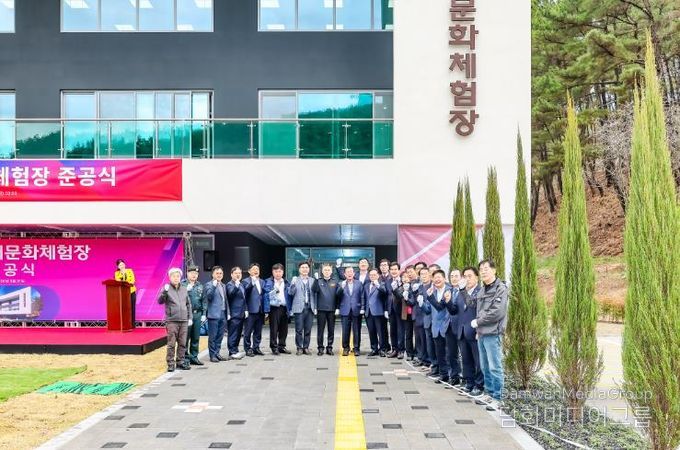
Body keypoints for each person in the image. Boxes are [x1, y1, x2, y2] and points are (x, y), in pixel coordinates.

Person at [472, 259, 508, 411]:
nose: (483, 271)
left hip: (493, 333)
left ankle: (498, 398)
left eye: (486, 268)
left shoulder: (501, 288)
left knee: (494, 366)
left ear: (494, 270)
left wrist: (478, 322)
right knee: (485, 366)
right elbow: (479, 311)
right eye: (481, 269)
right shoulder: (482, 290)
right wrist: (478, 330)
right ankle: (489, 393)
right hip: (482, 333)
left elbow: (497, 312)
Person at [451, 266, 484, 396]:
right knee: (466, 360)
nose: (467, 279)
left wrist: (462, 291)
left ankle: (479, 385)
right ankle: (469, 383)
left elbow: (474, 306)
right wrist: (447, 302)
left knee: (478, 361)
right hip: (462, 331)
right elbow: (454, 310)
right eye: (465, 276)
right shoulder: (460, 292)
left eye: (470, 276)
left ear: (477, 277)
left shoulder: (480, 292)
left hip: (475, 332)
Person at [425, 269, 456, 384]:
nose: (437, 280)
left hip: (447, 327)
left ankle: (453, 375)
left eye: (439, 277)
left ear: (444, 278)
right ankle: (443, 375)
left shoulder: (449, 290)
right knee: (440, 353)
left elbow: (440, 307)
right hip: (436, 327)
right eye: (435, 278)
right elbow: (430, 309)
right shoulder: (432, 292)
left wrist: (429, 297)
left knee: (450, 354)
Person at [158, 267, 191, 372]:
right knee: (171, 344)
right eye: (173, 276)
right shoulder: (166, 288)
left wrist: (190, 317)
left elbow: (188, 304)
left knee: (183, 343)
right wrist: (164, 292)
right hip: (172, 320)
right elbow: (160, 301)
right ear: (170, 277)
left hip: (184, 320)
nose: (176, 278)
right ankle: (171, 363)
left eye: (178, 276)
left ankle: (180, 361)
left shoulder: (184, 289)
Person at [288, 261, 317, 355]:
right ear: (299, 269)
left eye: (306, 267)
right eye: (302, 267)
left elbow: (316, 294)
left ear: (309, 269)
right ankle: (299, 347)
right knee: (299, 330)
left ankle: (306, 347)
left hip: (310, 308)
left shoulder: (312, 280)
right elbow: (290, 293)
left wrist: (315, 307)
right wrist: (293, 284)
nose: (305, 269)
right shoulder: (295, 280)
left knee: (308, 330)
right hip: (299, 308)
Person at [263, 263, 292, 355]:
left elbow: (290, 295)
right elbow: (266, 295)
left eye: (280, 271)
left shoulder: (286, 282)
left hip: (284, 307)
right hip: (274, 308)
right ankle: (274, 347)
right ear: (273, 272)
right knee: (274, 329)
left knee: (284, 329)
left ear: (283, 272)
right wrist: (266, 310)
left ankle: (281, 346)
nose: (278, 273)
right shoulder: (268, 282)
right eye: (276, 271)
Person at [203, 266, 229, 363]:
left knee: (220, 336)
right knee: (213, 336)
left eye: (221, 273)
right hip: (213, 314)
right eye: (217, 273)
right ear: (212, 274)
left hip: (223, 313)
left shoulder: (223, 285)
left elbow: (225, 300)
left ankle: (217, 353)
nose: (219, 275)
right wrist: (214, 286)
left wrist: (228, 313)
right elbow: (209, 297)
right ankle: (212, 355)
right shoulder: (208, 284)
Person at [336, 266, 364, 356]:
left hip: (356, 309)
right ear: (344, 274)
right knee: (345, 330)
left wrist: (362, 308)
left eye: (351, 272)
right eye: (347, 272)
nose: (349, 273)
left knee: (356, 330)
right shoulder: (341, 283)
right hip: (345, 309)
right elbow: (337, 295)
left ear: (354, 273)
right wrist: (341, 287)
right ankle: (346, 348)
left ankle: (356, 348)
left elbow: (362, 296)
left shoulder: (359, 283)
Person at [312, 263, 339, 355]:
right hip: (321, 309)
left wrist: (337, 308)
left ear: (331, 271)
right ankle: (320, 348)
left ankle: (329, 347)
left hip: (332, 310)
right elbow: (314, 290)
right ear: (322, 272)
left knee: (331, 330)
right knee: (320, 330)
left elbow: (338, 296)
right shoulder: (318, 281)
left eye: (328, 270)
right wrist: (316, 280)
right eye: (325, 270)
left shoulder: (335, 282)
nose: (327, 271)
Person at [183, 265, 205, 366]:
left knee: (196, 337)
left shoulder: (200, 285)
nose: (194, 275)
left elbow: (204, 300)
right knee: (185, 338)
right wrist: (186, 291)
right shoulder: (182, 285)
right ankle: (185, 358)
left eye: (196, 273)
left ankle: (194, 357)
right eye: (192, 273)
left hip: (197, 314)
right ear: (187, 273)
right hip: (187, 315)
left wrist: (204, 314)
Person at [242, 263, 266, 357]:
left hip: (260, 310)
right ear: (249, 271)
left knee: (258, 331)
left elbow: (263, 295)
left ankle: (256, 347)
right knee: (248, 331)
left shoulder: (262, 281)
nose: (256, 271)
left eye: (257, 269)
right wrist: (253, 282)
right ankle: (248, 349)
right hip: (250, 310)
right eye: (254, 269)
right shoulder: (245, 281)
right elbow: (245, 292)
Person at [363, 268, 389, 356]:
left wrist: (377, 284)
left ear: (378, 275)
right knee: (371, 331)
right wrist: (363, 308)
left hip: (379, 312)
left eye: (374, 275)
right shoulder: (366, 285)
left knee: (381, 332)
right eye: (371, 275)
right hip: (368, 312)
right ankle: (374, 348)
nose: (372, 276)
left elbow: (384, 292)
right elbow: (364, 298)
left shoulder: (382, 284)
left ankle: (382, 349)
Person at [226, 266, 247, 360]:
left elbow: (243, 298)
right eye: (236, 273)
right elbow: (230, 294)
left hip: (241, 313)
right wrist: (236, 286)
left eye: (239, 273)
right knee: (233, 333)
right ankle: (232, 351)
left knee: (238, 333)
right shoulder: (230, 284)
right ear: (231, 274)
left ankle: (236, 349)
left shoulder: (241, 284)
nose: (238, 275)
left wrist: (246, 309)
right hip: (234, 313)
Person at [395, 270, 415, 360]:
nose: (405, 279)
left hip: (412, 313)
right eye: (403, 277)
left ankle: (411, 352)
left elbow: (413, 301)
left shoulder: (413, 287)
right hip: (402, 313)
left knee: (410, 334)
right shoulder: (399, 288)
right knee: (403, 333)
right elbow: (398, 298)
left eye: (406, 277)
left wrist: (408, 293)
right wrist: (397, 291)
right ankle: (404, 351)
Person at [386, 262, 405, 359]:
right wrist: (386, 309)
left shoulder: (403, 280)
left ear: (399, 270)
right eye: (392, 269)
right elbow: (386, 296)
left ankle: (401, 350)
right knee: (392, 330)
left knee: (400, 330)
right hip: (391, 309)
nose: (393, 271)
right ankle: (394, 349)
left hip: (401, 309)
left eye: (395, 269)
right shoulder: (388, 281)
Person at [114, 259, 136, 329]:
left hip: (131, 291)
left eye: (123, 264)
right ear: (118, 266)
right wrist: (125, 282)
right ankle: (124, 324)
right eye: (120, 265)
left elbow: (133, 280)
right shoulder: (116, 273)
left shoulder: (130, 271)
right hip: (122, 293)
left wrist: (127, 283)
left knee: (132, 308)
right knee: (124, 309)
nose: (122, 266)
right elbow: (118, 281)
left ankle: (132, 324)